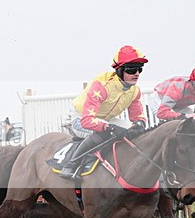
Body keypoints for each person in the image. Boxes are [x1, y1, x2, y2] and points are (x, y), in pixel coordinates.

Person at [59, 45, 149, 179]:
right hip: (80, 119)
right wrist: (110, 127)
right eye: (132, 69)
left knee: (135, 132)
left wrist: (140, 124)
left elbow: (137, 117)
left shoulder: (135, 91)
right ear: (119, 70)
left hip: (105, 120)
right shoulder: (101, 86)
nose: (136, 73)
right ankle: (70, 166)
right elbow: (87, 120)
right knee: (105, 133)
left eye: (139, 69)